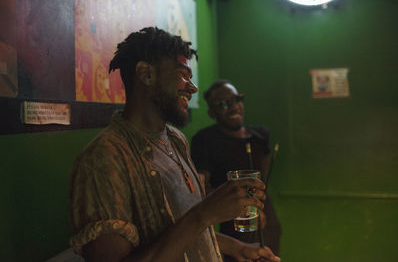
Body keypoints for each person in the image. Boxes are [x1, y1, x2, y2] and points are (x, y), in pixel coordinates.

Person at [69, 27, 280, 262]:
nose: (192, 87)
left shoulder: (176, 140)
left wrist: (235, 247)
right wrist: (205, 213)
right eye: (183, 75)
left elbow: (176, 229)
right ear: (146, 74)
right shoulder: (104, 158)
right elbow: (194, 221)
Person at [191, 80, 282, 261]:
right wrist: (242, 205)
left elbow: (263, 182)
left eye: (236, 99)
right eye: (223, 104)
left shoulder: (260, 136)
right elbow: (200, 189)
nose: (233, 107)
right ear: (212, 112)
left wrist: (259, 206)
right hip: (238, 228)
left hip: (267, 223)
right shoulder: (205, 140)